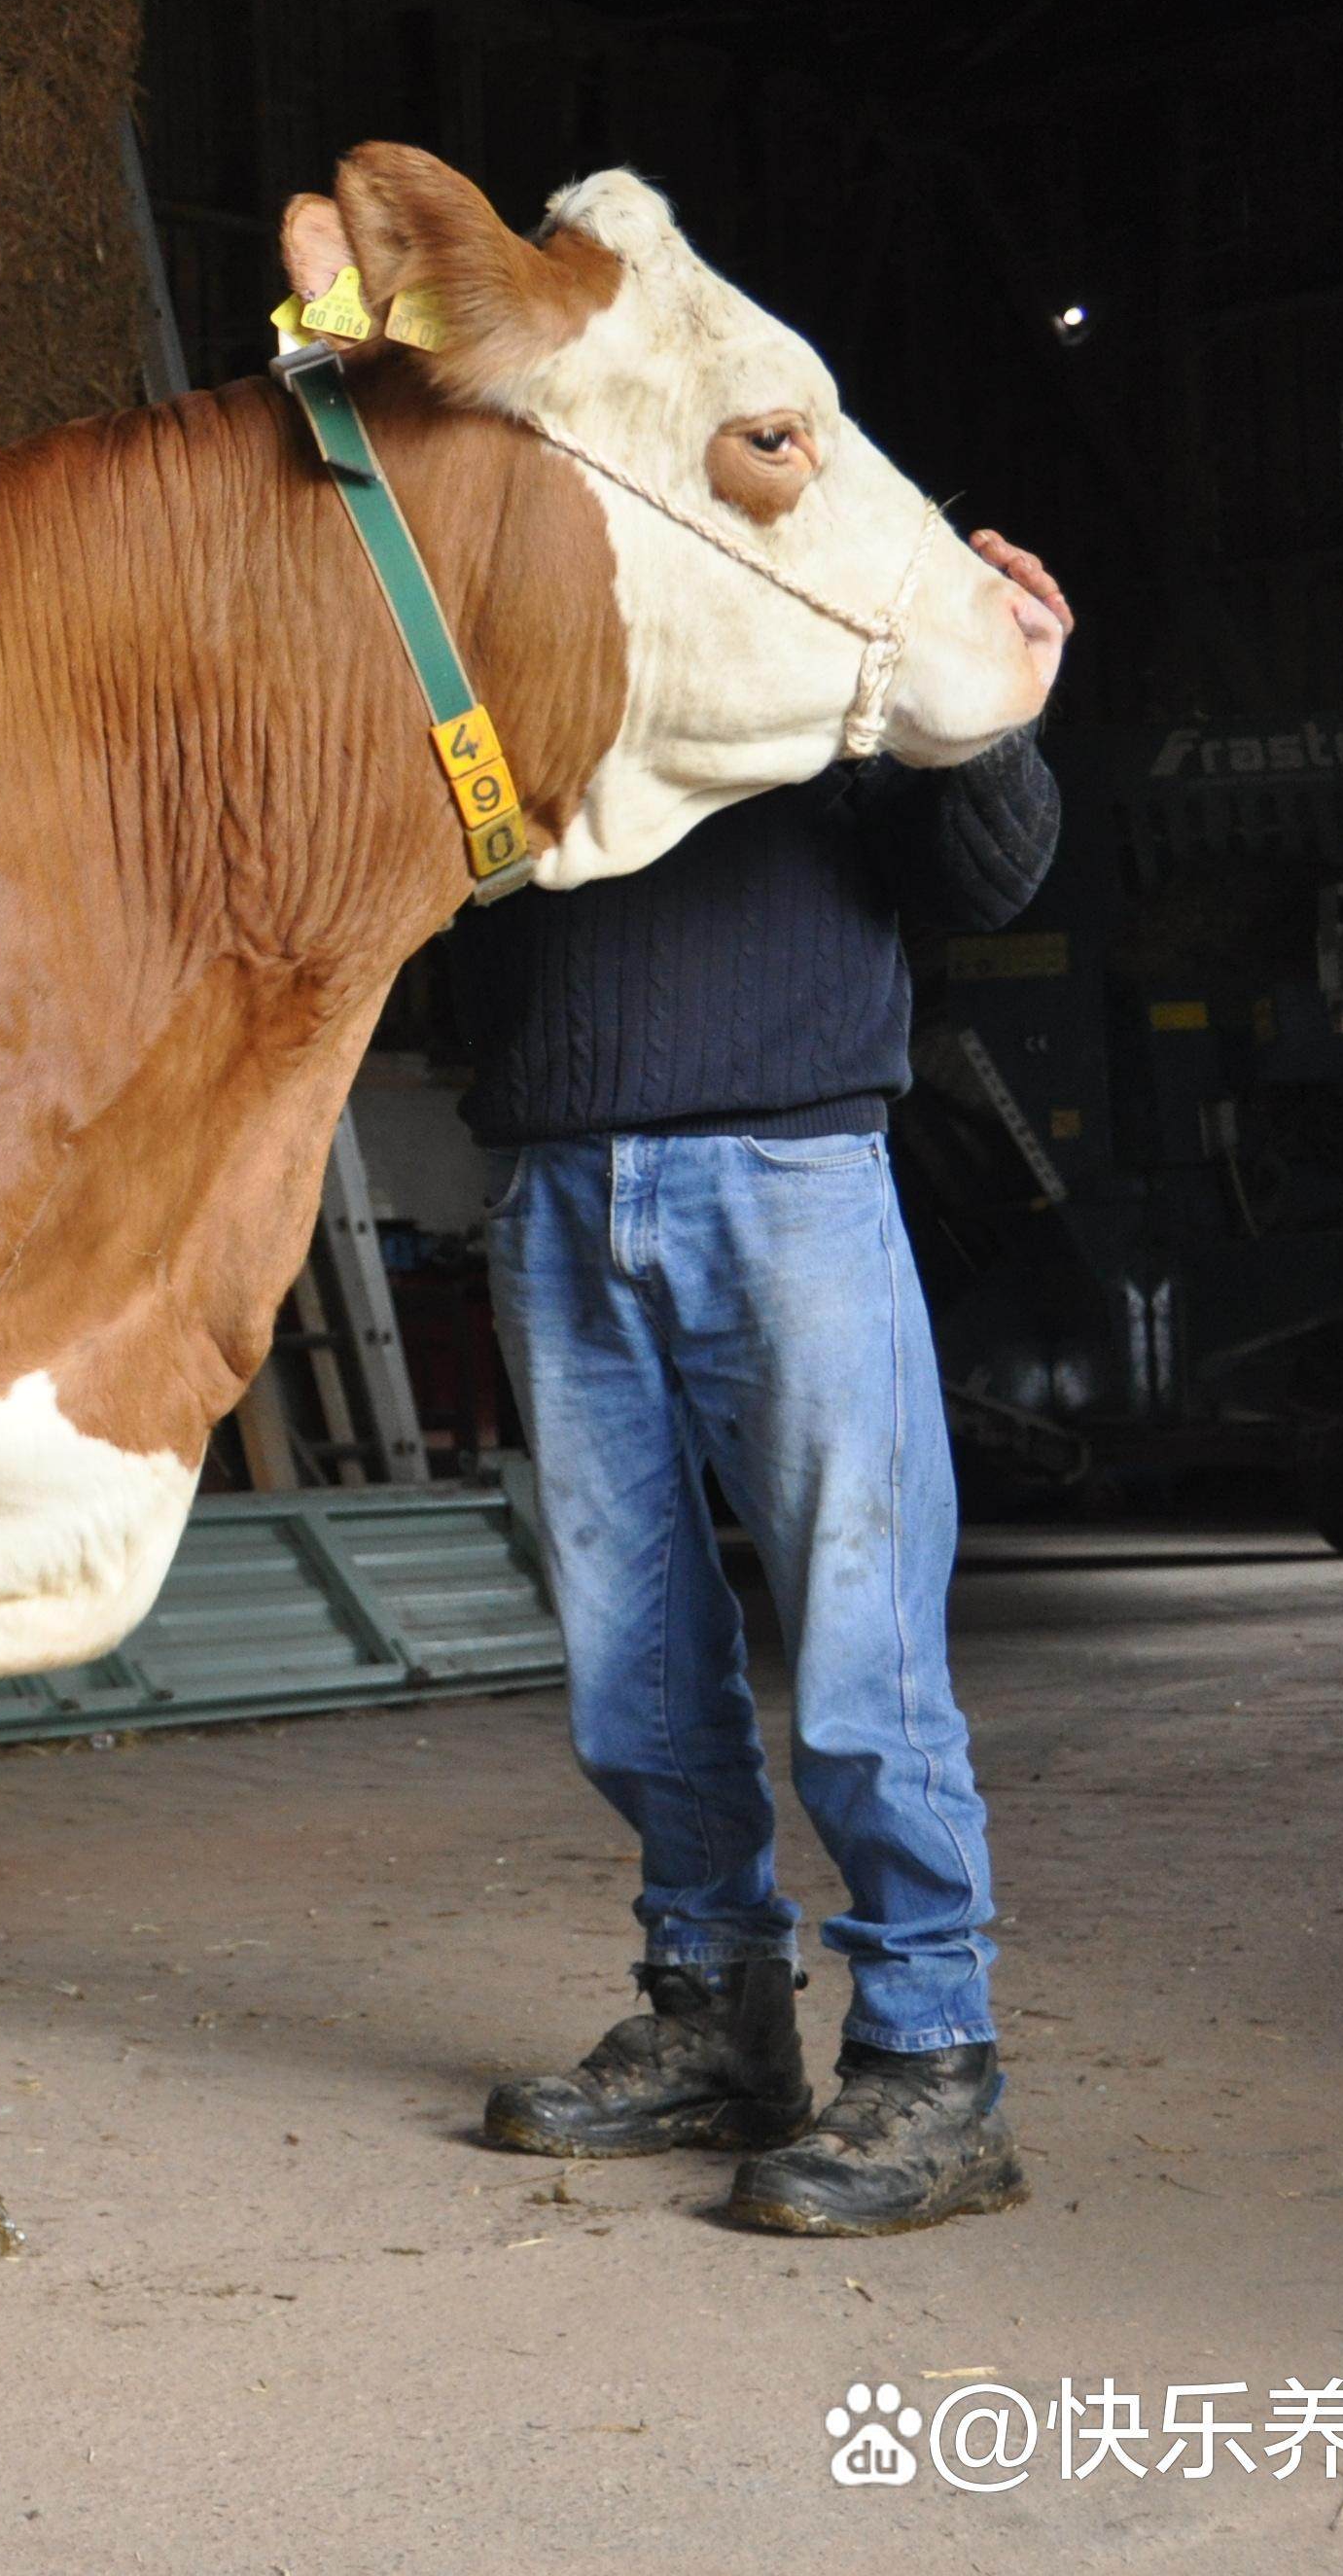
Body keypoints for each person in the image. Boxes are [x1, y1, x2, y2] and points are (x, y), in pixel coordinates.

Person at [460, 531, 1074, 2237]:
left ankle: (937, 2066)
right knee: (630, 1657)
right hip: (558, 1178)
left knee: (862, 1643)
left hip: (786, 1168)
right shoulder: (528, 604)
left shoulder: (841, 592)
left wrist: (995, 707)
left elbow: (988, 878)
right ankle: (717, 2015)